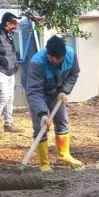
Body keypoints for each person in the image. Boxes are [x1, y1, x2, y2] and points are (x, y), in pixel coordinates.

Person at [25, 35, 83, 171]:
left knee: (62, 122)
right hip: (39, 94)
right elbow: (33, 91)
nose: (56, 61)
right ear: (47, 53)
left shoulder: (71, 55)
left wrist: (65, 90)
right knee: (40, 127)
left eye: (59, 58)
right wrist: (42, 114)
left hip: (57, 92)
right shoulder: (37, 63)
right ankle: (44, 163)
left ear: (64, 54)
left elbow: (74, 74)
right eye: (52, 58)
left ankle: (64, 154)